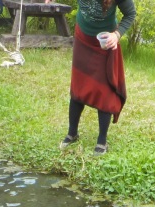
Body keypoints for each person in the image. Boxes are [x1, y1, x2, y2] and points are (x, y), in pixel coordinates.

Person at [53, 0, 136, 156]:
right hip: (83, 37)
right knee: (79, 85)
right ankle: (72, 133)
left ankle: (102, 140)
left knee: (104, 91)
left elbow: (130, 13)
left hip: (105, 43)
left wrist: (116, 35)